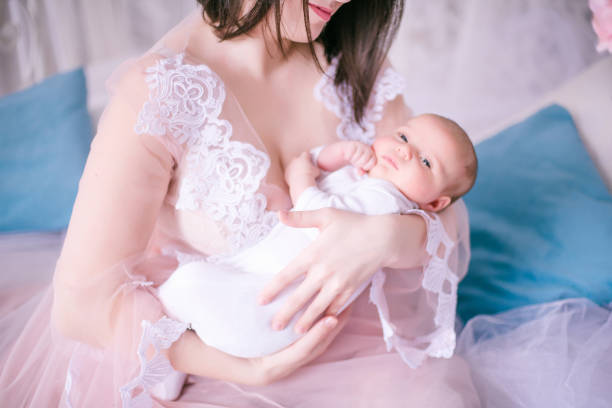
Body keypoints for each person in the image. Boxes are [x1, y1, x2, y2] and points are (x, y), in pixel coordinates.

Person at [0, 2, 481, 406]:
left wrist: (384, 238)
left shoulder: (354, 70)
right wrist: (253, 370)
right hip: (200, 363)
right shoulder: (161, 92)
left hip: (352, 348)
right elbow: (82, 306)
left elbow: (444, 206)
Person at [157, 113, 477, 364]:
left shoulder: (388, 200)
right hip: (266, 286)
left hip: (277, 305)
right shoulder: (364, 176)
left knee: (187, 287)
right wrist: (336, 154)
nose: (404, 150)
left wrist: (301, 179)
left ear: (434, 204)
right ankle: (173, 354)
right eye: (403, 136)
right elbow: (316, 162)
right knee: (193, 294)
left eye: (425, 161)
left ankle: (170, 355)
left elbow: (320, 217)